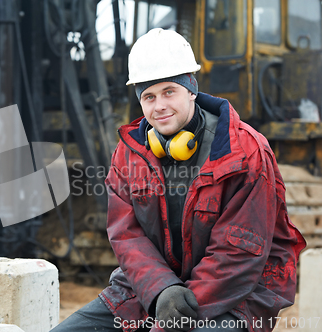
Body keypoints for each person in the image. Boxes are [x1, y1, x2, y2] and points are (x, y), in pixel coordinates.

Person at [51, 28, 306, 332]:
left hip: (236, 295)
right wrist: (160, 291)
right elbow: (127, 235)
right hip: (148, 291)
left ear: (191, 89)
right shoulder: (129, 152)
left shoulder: (245, 151)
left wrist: (174, 309)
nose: (159, 106)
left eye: (169, 92)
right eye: (149, 96)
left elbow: (240, 252)